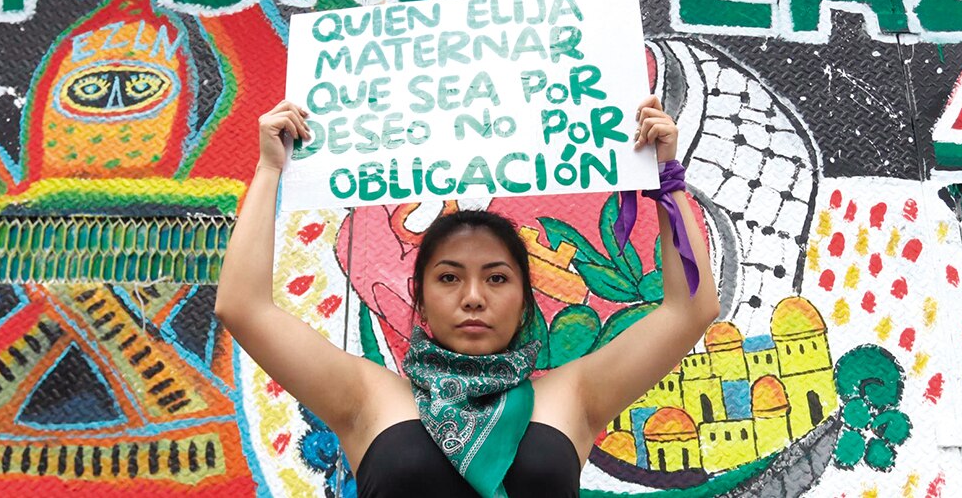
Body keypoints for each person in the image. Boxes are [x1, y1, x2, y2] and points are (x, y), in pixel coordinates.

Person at [215, 96, 721, 497]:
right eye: (449, 278)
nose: (474, 297)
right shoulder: (365, 396)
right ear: (420, 296)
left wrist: (666, 177)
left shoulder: (574, 396)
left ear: (526, 299)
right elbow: (243, 307)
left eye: (497, 278)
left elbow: (690, 309)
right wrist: (268, 169)